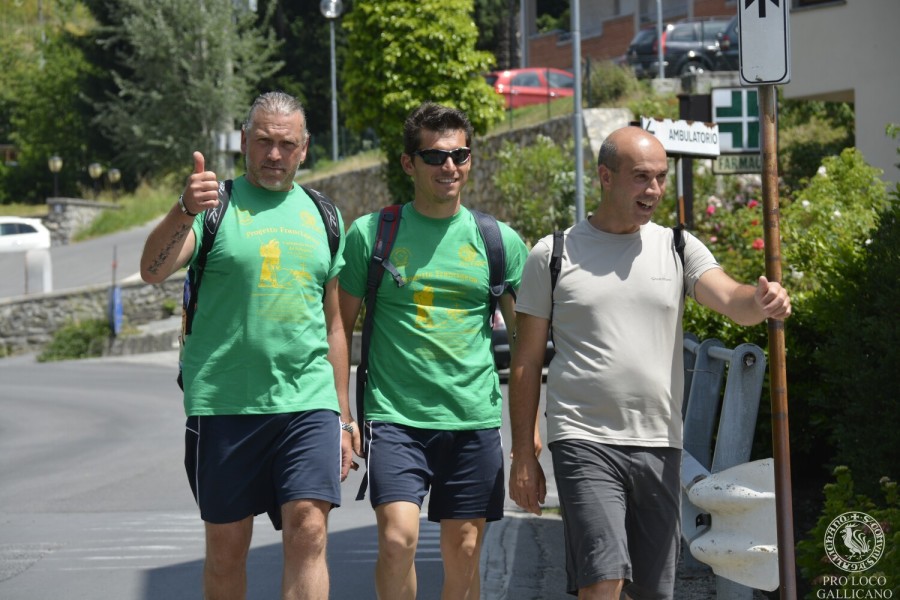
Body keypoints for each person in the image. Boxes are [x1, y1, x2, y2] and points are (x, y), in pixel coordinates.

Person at [508, 126, 792, 600]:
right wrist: (523, 452)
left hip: (660, 442)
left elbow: (730, 299)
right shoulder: (552, 254)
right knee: (602, 579)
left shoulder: (678, 247)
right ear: (605, 176)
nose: (655, 190)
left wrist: (761, 300)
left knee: (653, 591)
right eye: (641, 177)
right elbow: (525, 361)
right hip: (583, 439)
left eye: (660, 178)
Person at [140, 91, 359, 600]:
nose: (274, 154)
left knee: (309, 529)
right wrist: (182, 210)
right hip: (224, 405)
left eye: (286, 144)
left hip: (307, 405)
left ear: (305, 149)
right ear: (243, 142)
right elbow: (152, 271)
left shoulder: (325, 216)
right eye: (263, 141)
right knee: (226, 549)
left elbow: (334, 326)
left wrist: (344, 417)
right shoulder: (214, 209)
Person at [338, 102, 528, 600]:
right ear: (409, 164)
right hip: (395, 416)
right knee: (398, 539)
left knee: (464, 548)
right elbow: (336, 327)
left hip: (472, 418)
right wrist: (341, 415)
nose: (449, 166)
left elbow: (529, 344)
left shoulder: (497, 242)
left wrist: (528, 440)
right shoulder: (371, 235)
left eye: (460, 155)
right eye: (435, 156)